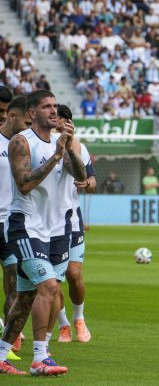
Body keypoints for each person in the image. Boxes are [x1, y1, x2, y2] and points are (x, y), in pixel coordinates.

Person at [0, 90, 86, 376]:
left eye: (54, 106)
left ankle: (0, 355)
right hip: (26, 226)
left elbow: (80, 177)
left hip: (57, 230)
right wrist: (56, 156)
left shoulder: (61, 142)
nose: (53, 111)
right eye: (46, 106)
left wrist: (68, 147)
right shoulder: (22, 142)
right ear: (32, 113)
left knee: (26, 297)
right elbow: (24, 184)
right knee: (48, 287)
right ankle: (40, 357)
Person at [55, 104, 96, 344]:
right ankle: (63, 324)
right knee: (53, 281)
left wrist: (86, 183)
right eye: (56, 119)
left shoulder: (78, 146)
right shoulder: (40, 145)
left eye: (64, 120)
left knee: (73, 273)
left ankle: (79, 319)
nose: (60, 124)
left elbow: (92, 181)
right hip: (47, 222)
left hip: (72, 218)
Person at [0, 96, 31, 363]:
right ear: (13, 116)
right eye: (26, 122)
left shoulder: (24, 146)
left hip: (10, 225)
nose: (29, 127)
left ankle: (6, 344)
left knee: (14, 284)